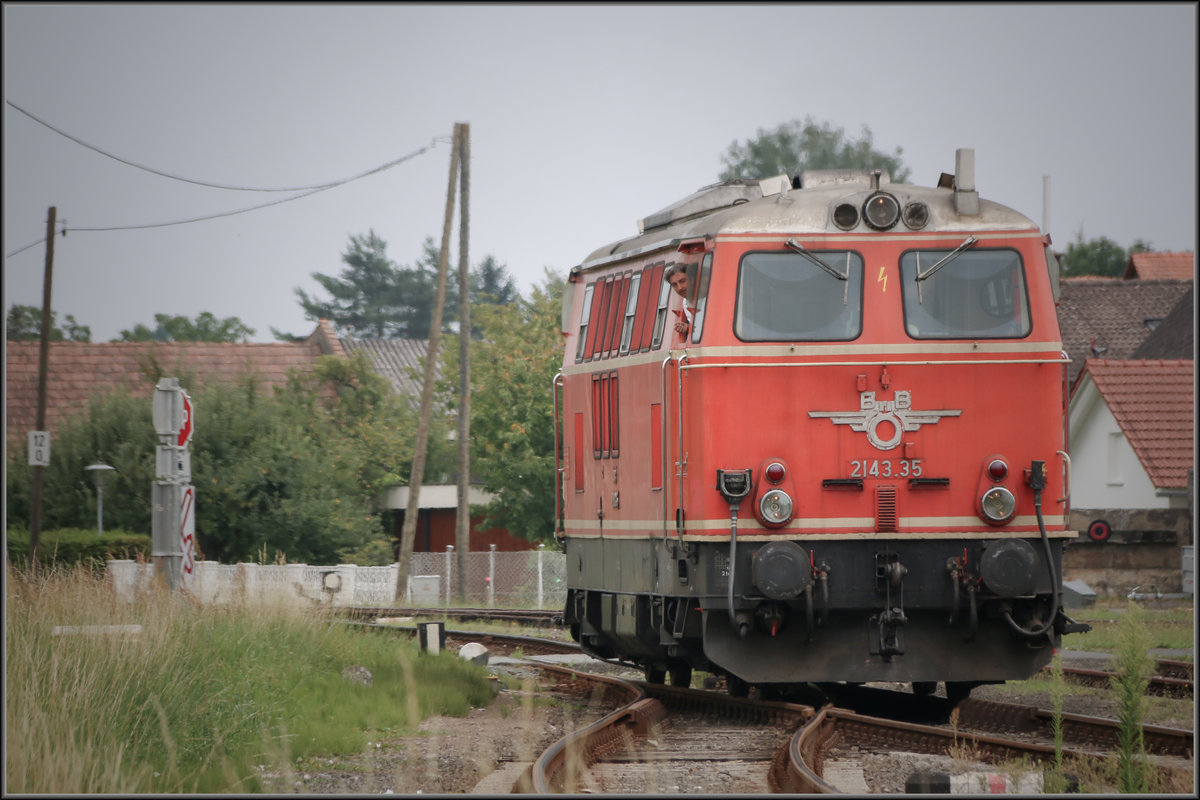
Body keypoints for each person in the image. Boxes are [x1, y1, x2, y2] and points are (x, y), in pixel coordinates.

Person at [664, 263, 693, 339]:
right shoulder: (685, 303)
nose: (680, 288)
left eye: (682, 281)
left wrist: (689, 327)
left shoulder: (708, 298)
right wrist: (688, 327)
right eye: (675, 285)